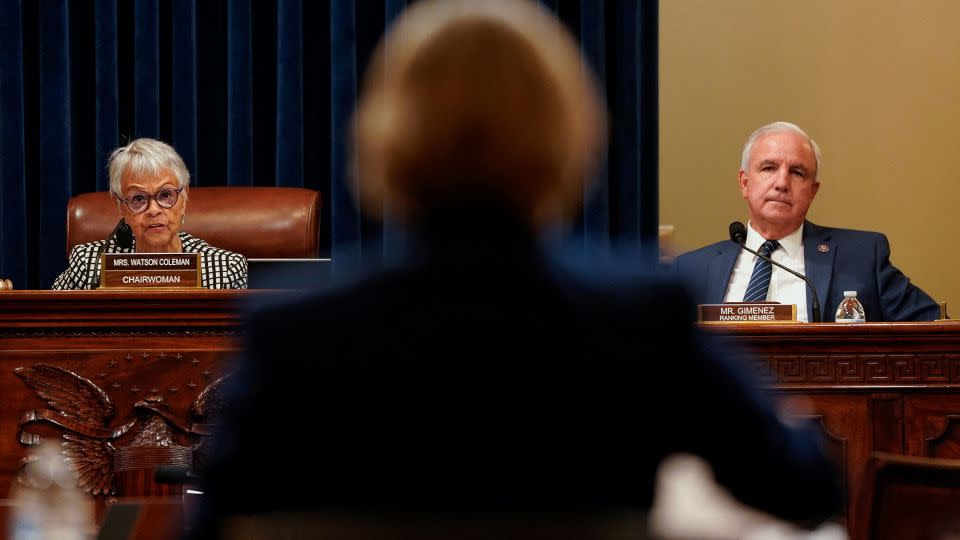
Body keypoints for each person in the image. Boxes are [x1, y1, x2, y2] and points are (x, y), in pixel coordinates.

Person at [190, 1, 840, 537]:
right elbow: (807, 489)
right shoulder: (642, 318)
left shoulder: (293, 334)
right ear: (566, 136)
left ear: (386, 136)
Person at [673, 121, 938, 322]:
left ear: (813, 191)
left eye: (797, 172)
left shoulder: (862, 257)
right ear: (744, 182)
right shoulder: (694, 269)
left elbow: (936, 329)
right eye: (769, 168)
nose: (782, 183)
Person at [51, 138, 247, 290]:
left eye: (165, 195)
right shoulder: (90, 263)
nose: (154, 210)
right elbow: (50, 326)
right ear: (121, 206)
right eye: (138, 198)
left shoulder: (224, 268)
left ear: (185, 197)